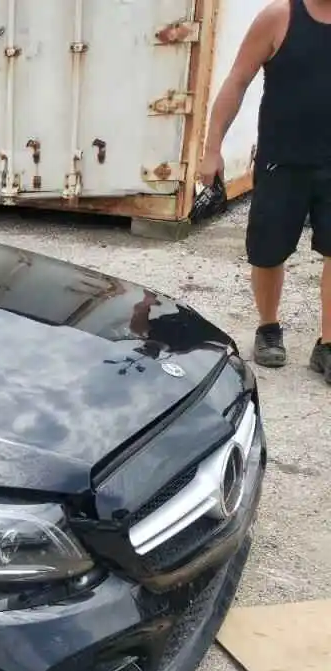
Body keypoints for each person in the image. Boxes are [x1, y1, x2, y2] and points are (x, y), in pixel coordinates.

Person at [199, 0, 331, 384]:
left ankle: (327, 345)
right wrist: (212, 150)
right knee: (268, 252)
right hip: (281, 161)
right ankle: (268, 328)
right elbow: (237, 80)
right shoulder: (280, 17)